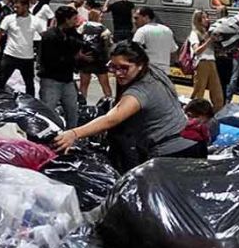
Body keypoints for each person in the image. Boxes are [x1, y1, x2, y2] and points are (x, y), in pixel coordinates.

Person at [52, 41, 204, 171]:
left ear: (140, 65)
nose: (118, 73)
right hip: (191, 143)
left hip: (173, 153)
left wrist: (73, 134)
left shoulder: (139, 91)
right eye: (113, 67)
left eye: (124, 68)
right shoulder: (153, 71)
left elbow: (111, 119)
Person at [38, 6, 85, 128]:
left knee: (72, 110)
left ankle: (72, 136)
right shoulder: (50, 36)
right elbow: (51, 60)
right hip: (51, 80)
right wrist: (75, 57)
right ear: (66, 20)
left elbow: (79, 45)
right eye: (74, 19)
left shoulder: (72, 34)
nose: (76, 21)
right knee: (48, 112)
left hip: (68, 79)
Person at [0, 0, 43, 96]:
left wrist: (40, 56)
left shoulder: (35, 21)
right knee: (1, 81)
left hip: (27, 57)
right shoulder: (9, 19)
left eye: (18, 7)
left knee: (29, 84)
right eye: (14, 7)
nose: (15, 9)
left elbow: (44, 35)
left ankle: (31, 105)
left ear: (26, 7)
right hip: (10, 55)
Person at [188, 9, 224, 112]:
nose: (207, 19)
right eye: (203, 17)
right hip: (201, 63)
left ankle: (217, 114)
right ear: (198, 20)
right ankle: (193, 114)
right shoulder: (194, 33)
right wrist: (209, 41)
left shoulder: (209, 32)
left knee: (218, 93)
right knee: (199, 92)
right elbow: (197, 51)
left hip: (212, 62)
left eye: (207, 17)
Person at [77, 5, 113, 100]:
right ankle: (109, 100)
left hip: (86, 58)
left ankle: (82, 103)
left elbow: (77, 39)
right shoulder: (103, 28)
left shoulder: (83, 26)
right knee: (105, 84)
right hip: (99, 60)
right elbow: (108, 42)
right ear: (97, 17)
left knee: (83, 85)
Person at [132, 6, 177, 74]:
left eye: (136, 18)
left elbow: (133, 51)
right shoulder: (167, 30)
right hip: (164, 71)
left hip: (148, 71)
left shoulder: (142, 31)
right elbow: (173, 52)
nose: (134, 21)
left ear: (146, 17)